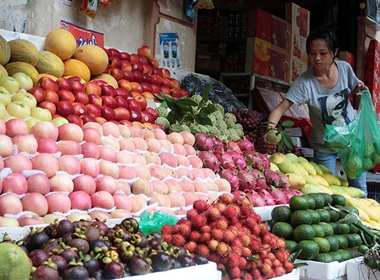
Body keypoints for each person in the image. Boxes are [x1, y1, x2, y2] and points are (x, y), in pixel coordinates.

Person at [263, 26, 368, 197]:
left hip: (352, 142)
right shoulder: (305, 82)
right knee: (325, 193)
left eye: (323, 53)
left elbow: (355, 85)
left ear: (334, 52)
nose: (317, 58)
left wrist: (359, 88)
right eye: (312, 53)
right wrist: (270, 129)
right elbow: (279, 109)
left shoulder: (344, 68)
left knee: (360, 191)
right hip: (324, 146)